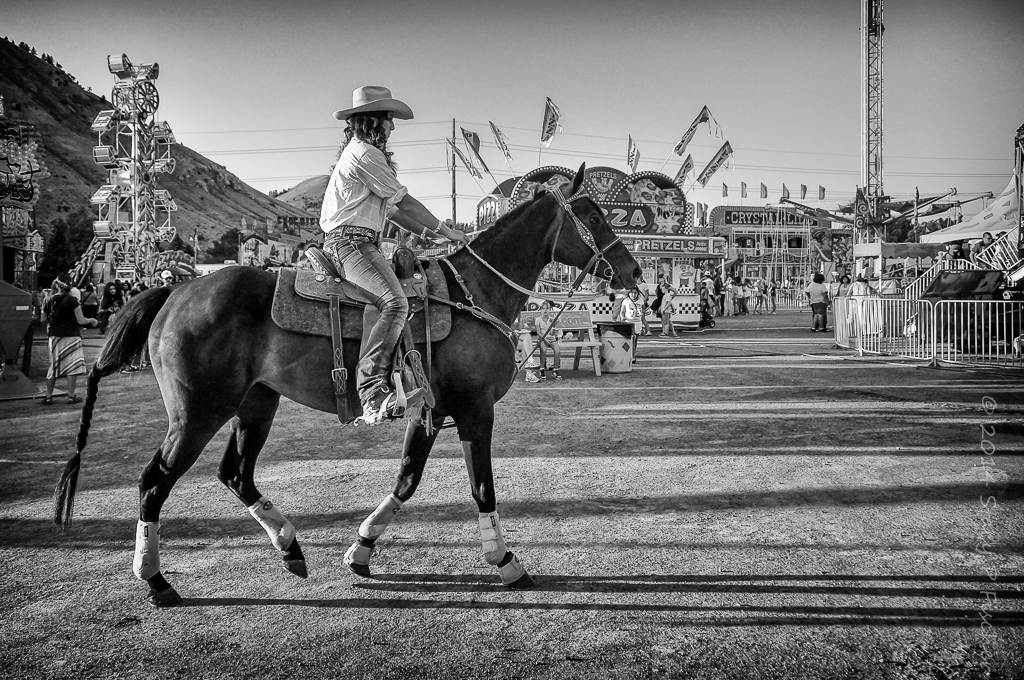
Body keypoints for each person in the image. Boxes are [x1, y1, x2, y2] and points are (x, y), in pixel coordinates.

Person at [320, 85, 468, 425]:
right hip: (351, 244)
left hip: (359, 240)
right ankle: (372, 391)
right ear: (373, 121)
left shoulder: (363, 155)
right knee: (396, 302)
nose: (392, 127)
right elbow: (405, 201)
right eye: (389, 119)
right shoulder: (365, 155)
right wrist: (447, 231)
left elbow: (393, 211)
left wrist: (428, 233)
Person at [41, 277, 100, 405]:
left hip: (55, 336)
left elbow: (43, 319)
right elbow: (81, 321)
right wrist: (91, 320)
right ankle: (71, 395)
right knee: (72, 366)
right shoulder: (73, 301)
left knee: (53, 365)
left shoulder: (48, 300)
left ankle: (49, 396)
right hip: (72, 336)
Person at [530, 301, 563, 380]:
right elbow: (538, 332)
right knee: (544, 350)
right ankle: (542, 369)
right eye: (543, 308)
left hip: (551, 338)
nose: (545, 310)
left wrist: (554, 325)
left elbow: (552, 333)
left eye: (547, 308)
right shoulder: (538, 320)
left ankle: (555, 370)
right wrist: (544, 339)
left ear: (550, 309)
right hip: (541, 338)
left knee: (557, 351)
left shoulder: (552, 319)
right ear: (541, 310)